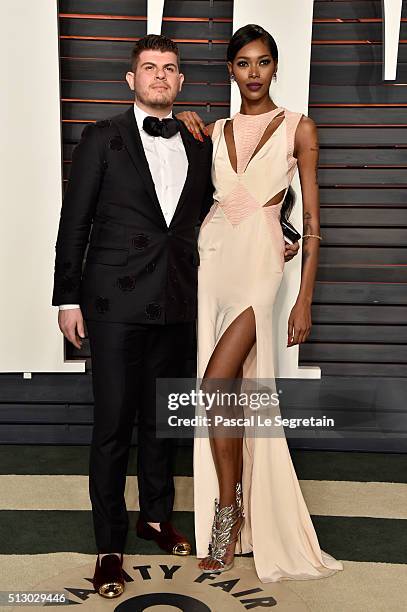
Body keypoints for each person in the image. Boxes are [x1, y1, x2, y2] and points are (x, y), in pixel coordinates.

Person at [52, 34, 217, 599]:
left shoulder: (200, 141)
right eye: (149, 68)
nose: (160, 77)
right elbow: (74, 221)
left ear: (181, 80)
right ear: (131, 79)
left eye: (170, 69)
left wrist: (285, 236)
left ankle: (155, 516)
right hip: (111, 304)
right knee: (113, 426)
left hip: (177, 301)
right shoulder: (101, 138)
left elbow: (238, 201)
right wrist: (65, 298)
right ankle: (109, 545)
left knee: (162, 422)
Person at [177, 24, 344, 582]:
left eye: (263, 62)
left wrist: (305, 300)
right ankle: (231, 506)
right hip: (214, 255)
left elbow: (315, 223)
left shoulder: (300, 127)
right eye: (243, 63)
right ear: (230, 70)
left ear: (276, 67)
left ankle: (230, 513)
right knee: (225, 390)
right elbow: (204, 189)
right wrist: (181, 120)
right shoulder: (213, 129)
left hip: (260, 265)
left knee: (216, 384)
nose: (254, 72)